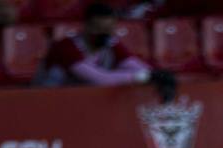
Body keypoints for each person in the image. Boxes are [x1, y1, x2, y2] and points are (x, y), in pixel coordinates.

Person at [36, 2, 176, 99]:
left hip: (75, 101)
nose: (104, 34)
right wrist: (143, 77)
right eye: (99, 28)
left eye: (109, 29)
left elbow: (131, 63)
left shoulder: (110, 43)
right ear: (87, 27)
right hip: (45, 99)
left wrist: (157, 75)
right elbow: (100, 79)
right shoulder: (65, 47)